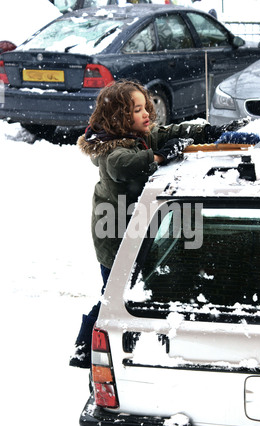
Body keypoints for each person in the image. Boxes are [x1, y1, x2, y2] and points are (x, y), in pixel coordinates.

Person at [69, 79, 249, 368]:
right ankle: (85, 348)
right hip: (114, 233)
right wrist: (159, 155)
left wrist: (208, 131)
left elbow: (170, 131)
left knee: (129, 288)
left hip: (135, 226)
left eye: (145, 107)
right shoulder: (110, 151)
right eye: (136, 110)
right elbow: (124, 164)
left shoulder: (140, 135)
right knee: (113, 294)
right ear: (118, 119)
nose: (145, 115)